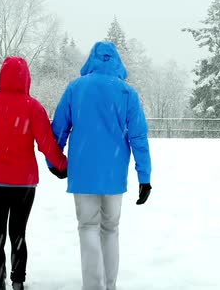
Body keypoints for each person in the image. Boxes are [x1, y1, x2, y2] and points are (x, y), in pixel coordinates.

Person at [47, 41, 152, 290]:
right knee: (111, 229)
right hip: (114, 175)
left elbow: (59, 129)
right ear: (116, 62)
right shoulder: (127, 93)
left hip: (82, 173)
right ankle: (110, 284)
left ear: (91, 60)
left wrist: (55, 162)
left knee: (87, 227)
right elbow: (138, 137)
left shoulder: (76, 88)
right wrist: (144, 176)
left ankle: (93, 286)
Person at [0, 56, 68, 290]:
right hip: (24, 183)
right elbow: (46, 144)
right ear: (26, 78)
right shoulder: (33, 106)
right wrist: (62, 166)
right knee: (18, 233)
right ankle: (18, 280)